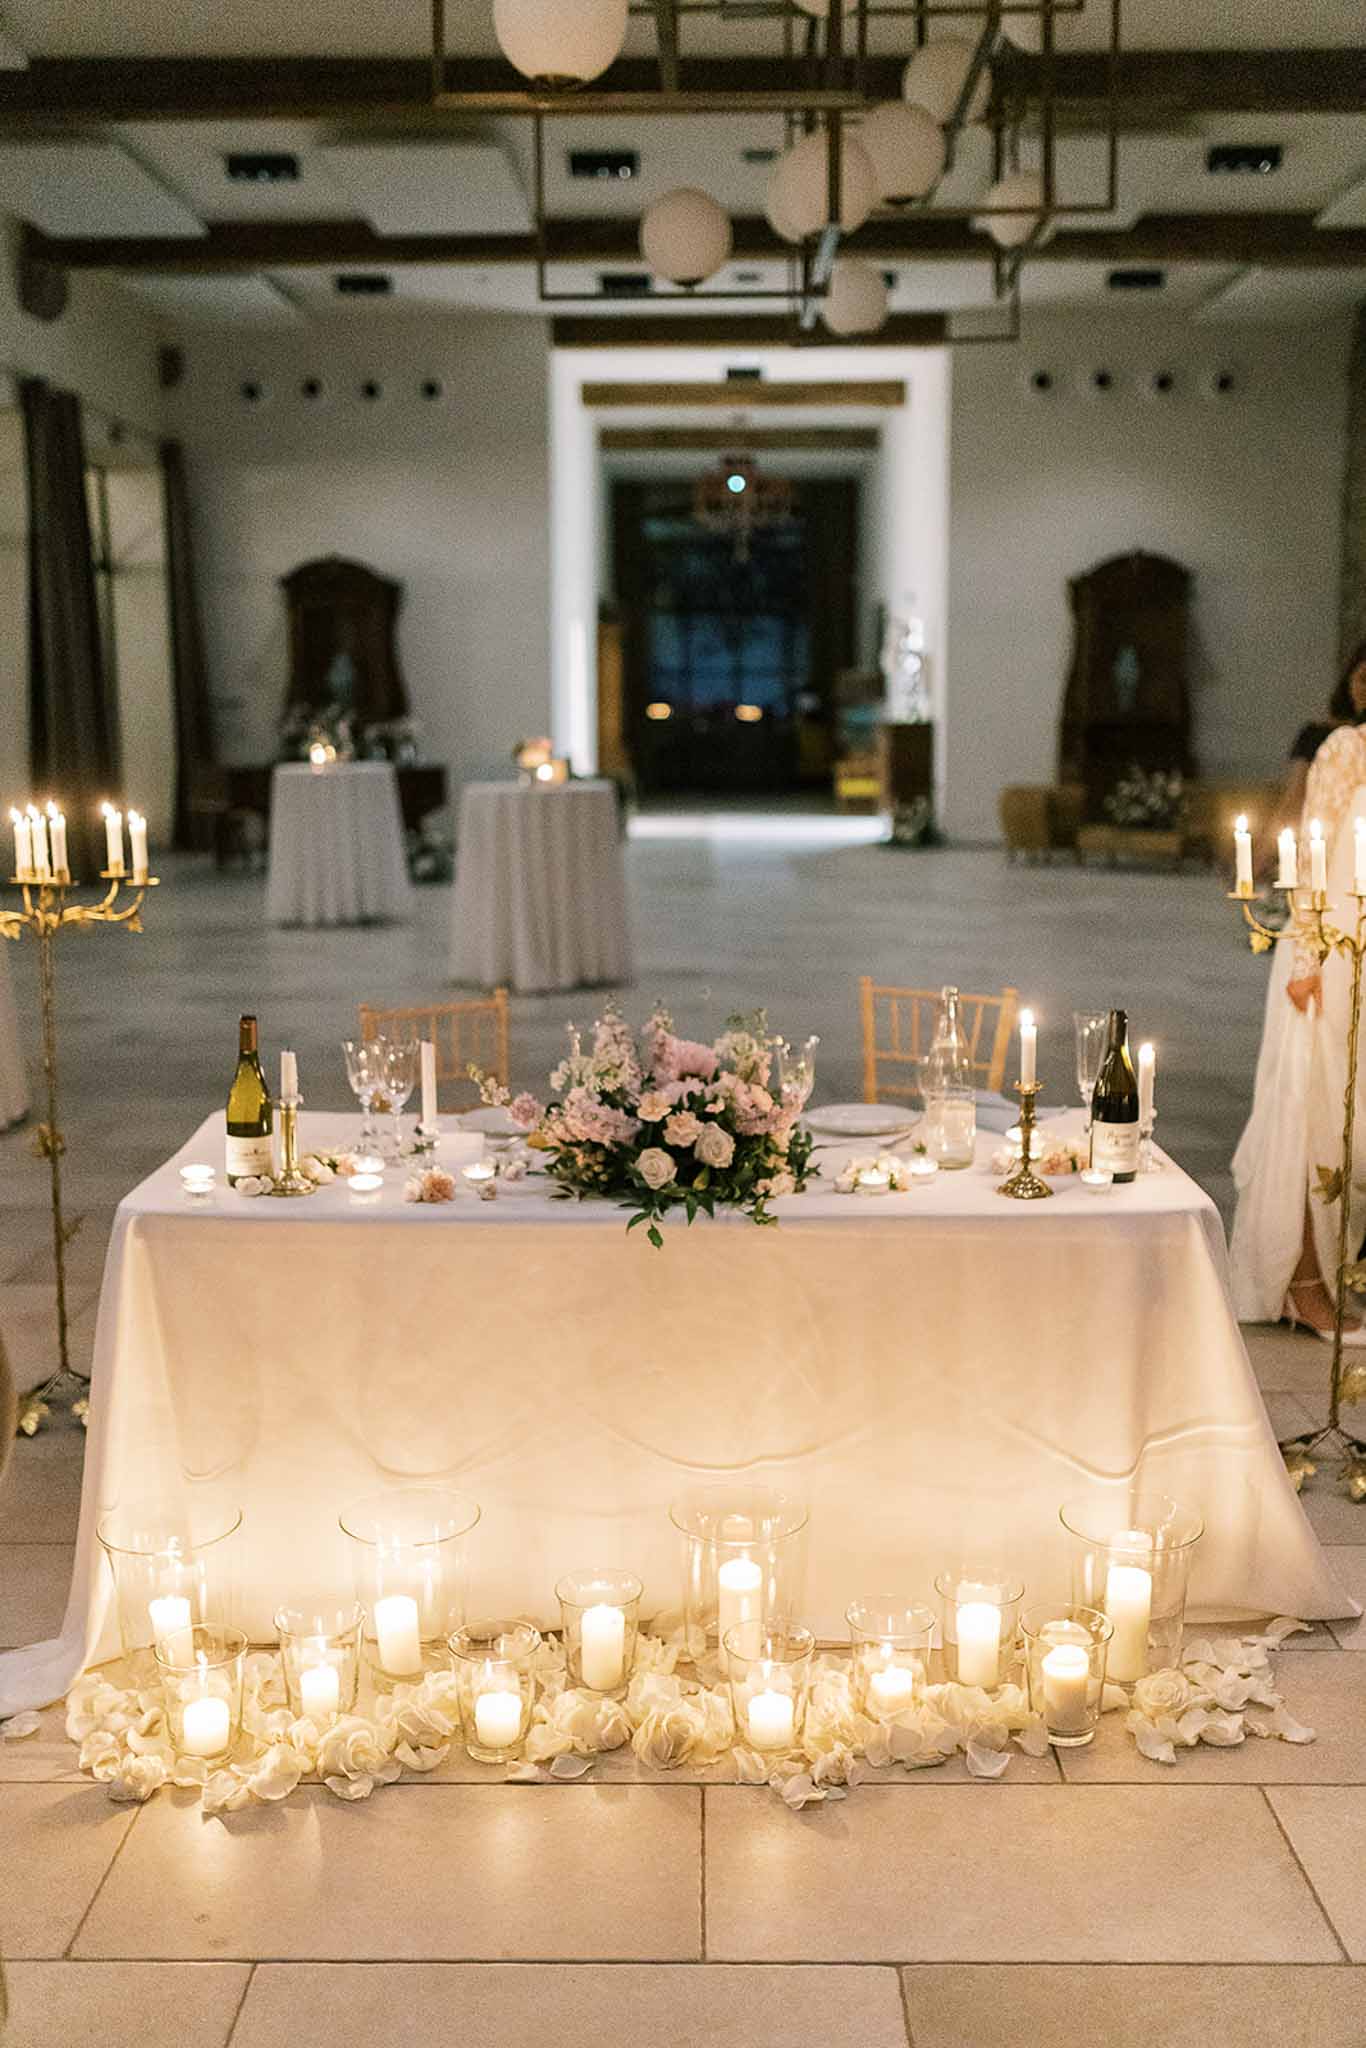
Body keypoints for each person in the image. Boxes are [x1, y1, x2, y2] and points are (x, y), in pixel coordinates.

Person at [1231, 641, 1366, 1337]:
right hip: (1334, 950)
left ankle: (1341, 1274)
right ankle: (1302, 1283)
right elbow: (1316, 851)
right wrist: (1310, 955)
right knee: (1313, 1115)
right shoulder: (1345, 748)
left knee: (1359, 1130)